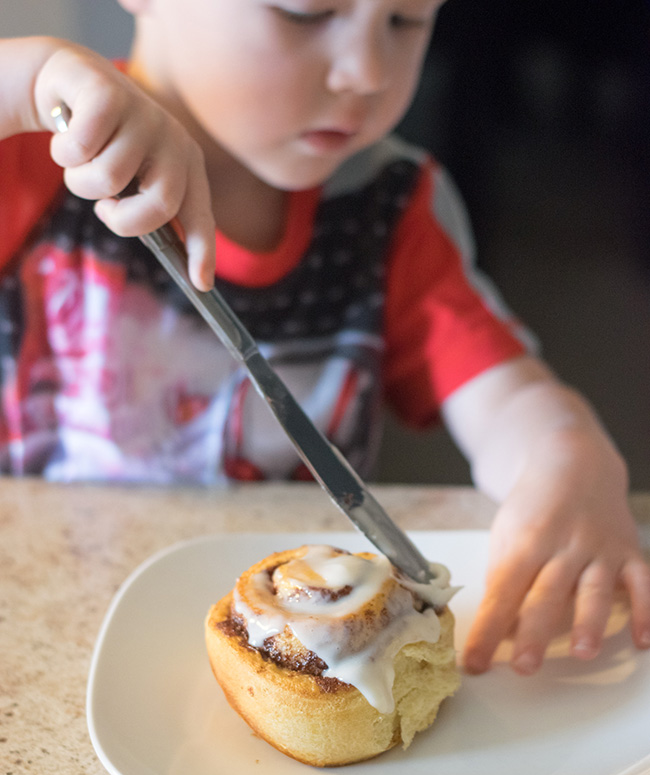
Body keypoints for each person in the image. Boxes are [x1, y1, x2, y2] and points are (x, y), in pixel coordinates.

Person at [0, 0, 648, 676]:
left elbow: (503, 395)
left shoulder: (390, 210)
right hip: (35, 640)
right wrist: (28, 80)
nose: (367, 72)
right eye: (306, 13)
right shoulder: (33, 150)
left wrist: (565, 451)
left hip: (315, 649)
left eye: (405, 22)